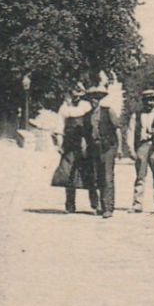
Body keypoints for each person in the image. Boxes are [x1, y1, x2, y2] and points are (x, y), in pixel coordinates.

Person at [53, 85, 99, 214]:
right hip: (69, 143)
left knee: (89, 173)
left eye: (79, 94)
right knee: (69, 174)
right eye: (74, 93)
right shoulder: (64, 108)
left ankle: (95, 204)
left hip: (85, 142)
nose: (77, 96)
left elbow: (91, 124)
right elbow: (59, 127)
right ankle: (70, 205)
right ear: (70, 93)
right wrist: (60, 144)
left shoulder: (86, 106)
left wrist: (88, 142)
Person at [79, 85, 121, 218]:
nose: (94, 101)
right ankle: (96, 206)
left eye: (96, 99)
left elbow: (117, 129)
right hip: (93, 149)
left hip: (108, 147)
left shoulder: (108, 111)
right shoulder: (86, 116)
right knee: (94, 177)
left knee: (107, 177)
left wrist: (119, 148)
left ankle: (108, 208)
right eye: (91, 99)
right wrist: (84, 148)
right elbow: (84, 135)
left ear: (100, 100)